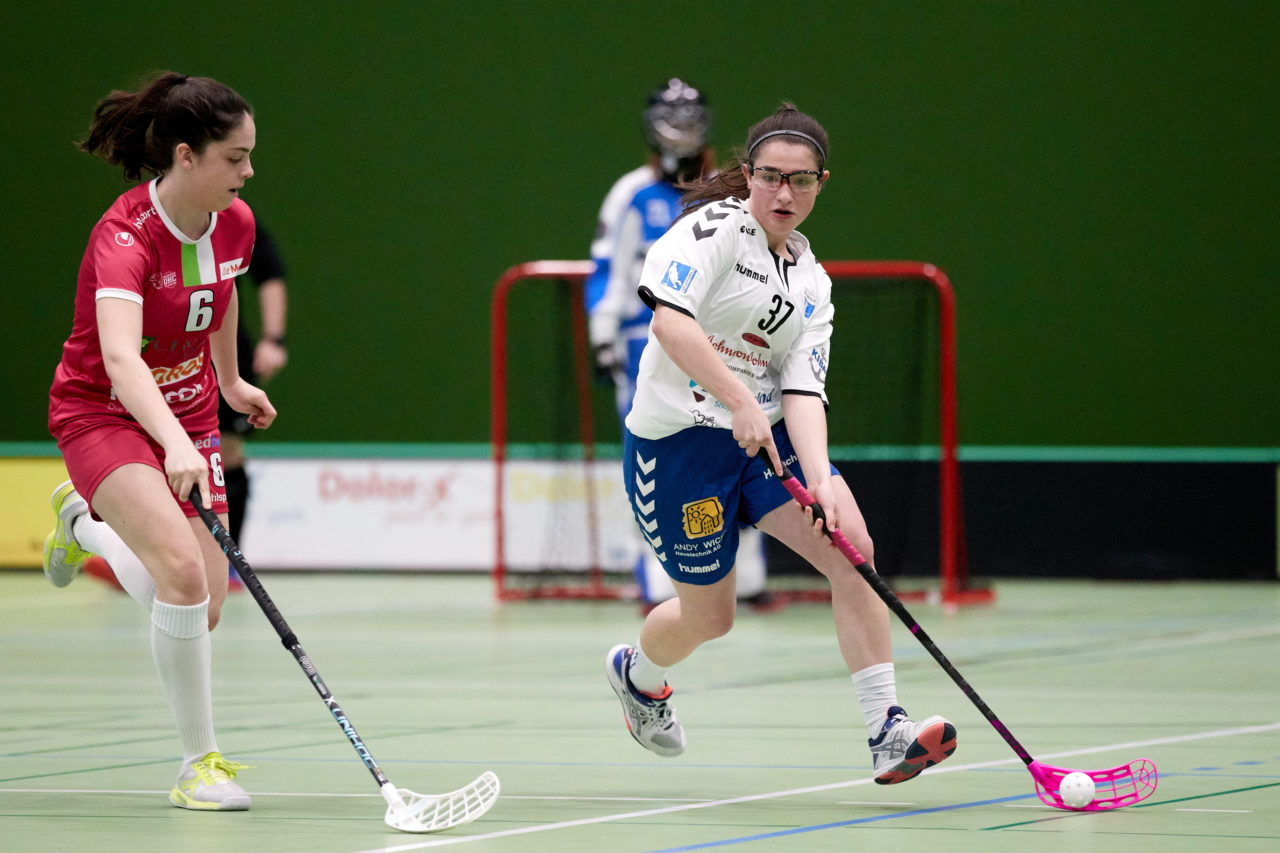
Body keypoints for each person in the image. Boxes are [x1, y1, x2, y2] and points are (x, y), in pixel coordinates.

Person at [604, 104, 957, 784]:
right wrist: (736, 399)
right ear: (748, 175)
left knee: (853, 551)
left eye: (800, 180)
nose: (784, 193)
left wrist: (819, 477)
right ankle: (638, 676)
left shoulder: (812, 283)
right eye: (770, 176)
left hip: (764, 444)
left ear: (821, 184)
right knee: (712, 617)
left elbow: (802, 390)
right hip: (677, 448)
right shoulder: (709, 231)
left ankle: (887, 729)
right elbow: (670, 324)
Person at [43, 71, 274, 811]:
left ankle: (81, 523)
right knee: (179, 572)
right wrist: (173, 443)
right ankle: (197, 765)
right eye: (235, 157)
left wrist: (229, 381)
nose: (247, 171)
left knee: (201, 605)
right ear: (185, 156)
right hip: (103, 414)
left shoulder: (233, 222)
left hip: (192, 412)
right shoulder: (124, 237)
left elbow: (222, 294)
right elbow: (118, 357)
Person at [586, 78, 778, 612]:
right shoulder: (631, 194)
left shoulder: (729, 191)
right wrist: (602, 334)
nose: (680, 132)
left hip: (722, 343)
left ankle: (748, 578)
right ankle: (655, 581)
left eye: (690, 119)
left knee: (740, 451)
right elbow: (608, 267)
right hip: (644, 343)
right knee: (653, 456)